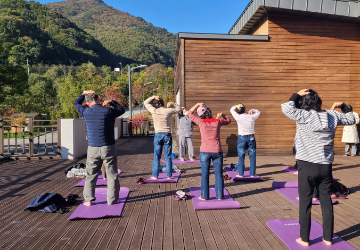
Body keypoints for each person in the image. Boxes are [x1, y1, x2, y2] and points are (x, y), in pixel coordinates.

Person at [281, 89, 355, 247]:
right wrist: (344, 107)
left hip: (307, 165)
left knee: (305, 203)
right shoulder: (332, 115)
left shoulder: (304, 115)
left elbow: (286, 108)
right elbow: (351, 119)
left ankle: (305, 239)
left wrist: (296, 94)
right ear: (319, 102)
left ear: (304, 104)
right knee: (326, 202)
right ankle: (328, 238)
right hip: (325, 167)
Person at [74, 90, 125, 206]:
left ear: (87, 102)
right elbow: (121, 110)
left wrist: (83, 94)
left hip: (92, 148)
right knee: (112, 175)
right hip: (108, 147)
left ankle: (88, 200)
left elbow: (77, 104)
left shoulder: (85, 112)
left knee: (91, 175)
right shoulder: (108, 111)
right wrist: (112, 101)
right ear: (98, 100)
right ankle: (112, 200)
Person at [187, 103, 231, 200]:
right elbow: (228, 120)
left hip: (204, 152)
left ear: (201, 115)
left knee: (205, 175)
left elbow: (189, 113)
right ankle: (220, 196)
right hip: (217, 151)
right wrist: (223, 114)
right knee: (219, 174)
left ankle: (204, 196)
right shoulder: (218, 121)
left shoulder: (200, 121)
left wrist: (197, 104)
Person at [144, 95, 181, 179]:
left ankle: (155, 176)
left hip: (157, 135)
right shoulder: (168, 111)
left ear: (155, 104)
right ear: (163, 103)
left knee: (157, 156)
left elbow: (145, 102)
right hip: (167, 134)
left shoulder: (153, 110)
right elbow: (180, 109)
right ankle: (169, 175)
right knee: (168, 156)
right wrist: (172, 103)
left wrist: (153, 96)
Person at [230, 103, 260, 177]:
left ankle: (241, 174)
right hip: (251, 138)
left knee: (241, 157)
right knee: (252, 157)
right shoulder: (251, 117)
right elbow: (258, 112)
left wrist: (237, 106)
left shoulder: (238, 117)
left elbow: (231, 109)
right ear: (244, 110)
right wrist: (253, 110)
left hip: (242, 138)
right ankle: (252, 174)